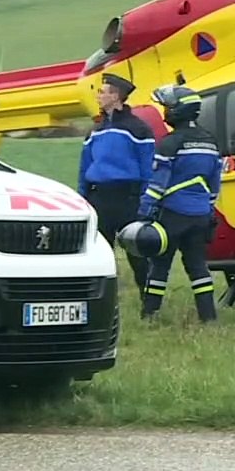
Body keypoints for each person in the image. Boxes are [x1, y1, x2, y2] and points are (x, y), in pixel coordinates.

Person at [136, 84, 224, 322]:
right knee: (197, 266)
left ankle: (150, 315)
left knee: (160, 265)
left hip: (172, 214)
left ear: (177, 111)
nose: (165, 112)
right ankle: (209, 317)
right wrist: (208, 208)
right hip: (201, 215)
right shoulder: (210, 141)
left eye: (167, 107)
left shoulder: (170, 143)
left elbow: (158, 183)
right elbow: (215, 183)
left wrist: (144, 211)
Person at [78, 73, 155, 307]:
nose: (98, 96)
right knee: (100, 251)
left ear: (116, 96)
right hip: (99, 196)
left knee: (137, 251)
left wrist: (145, 200)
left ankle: (148, 299)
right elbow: (85, 166)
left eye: (103, 92)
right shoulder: (95, 130)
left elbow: (147, 167)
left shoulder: (138, 129)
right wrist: (82, 197)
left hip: (127, 198)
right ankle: (102, 301)